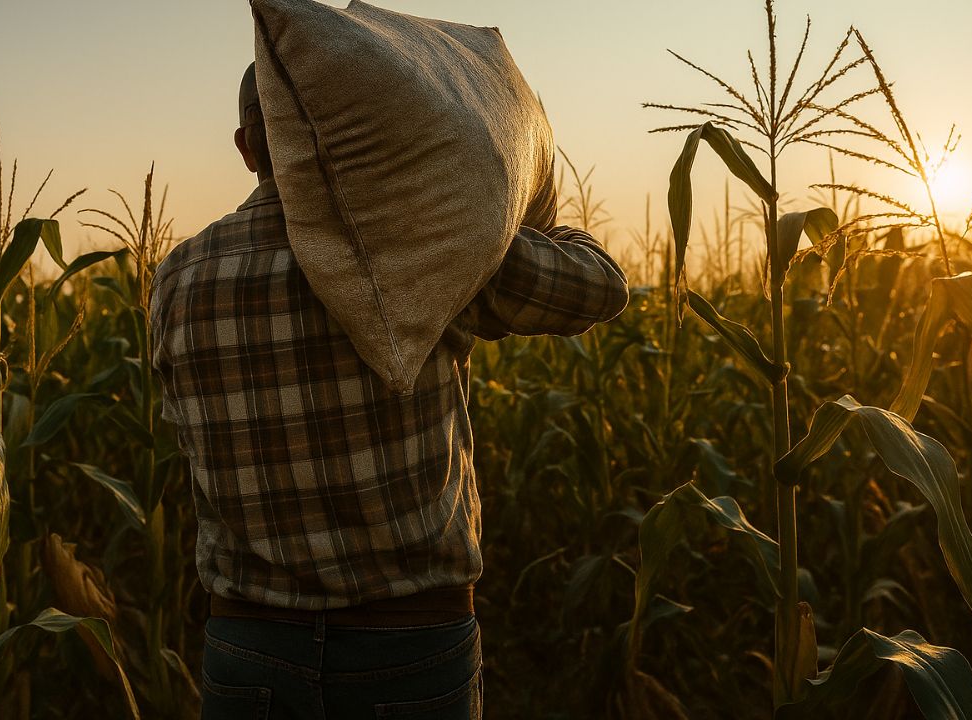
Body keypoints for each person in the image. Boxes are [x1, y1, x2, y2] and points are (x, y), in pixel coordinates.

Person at [149, 61, 630, 720]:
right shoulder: (417, 243)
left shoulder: (179, 276)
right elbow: (599, 285)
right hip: (410, 643)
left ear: (246, 147)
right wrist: (522, 199)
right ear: (351, 127)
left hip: (247, 645)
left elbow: (185, 434)